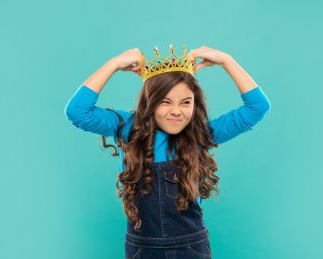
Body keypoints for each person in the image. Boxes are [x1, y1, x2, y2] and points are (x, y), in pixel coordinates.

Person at [64, 45, 271, 258]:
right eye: (165, 102)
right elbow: (77, 111)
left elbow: (257, 107)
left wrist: (226, 60)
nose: (176, 111)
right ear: (149, 104)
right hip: (142, 249)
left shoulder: (200, 134)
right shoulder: (130, 128)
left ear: (195, 104)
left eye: (185, 102)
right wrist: (114, 64)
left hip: (190, 248)